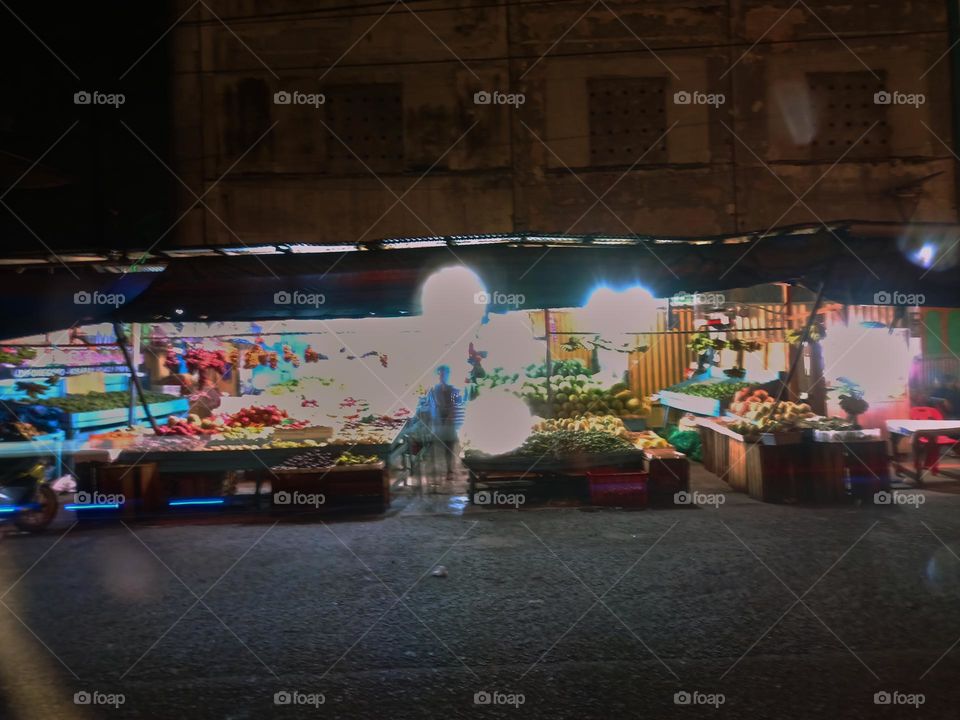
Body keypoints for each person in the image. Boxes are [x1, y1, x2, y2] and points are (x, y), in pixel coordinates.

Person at [426, 364, 461, 480]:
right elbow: (431, 405)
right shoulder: (434, 390)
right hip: (438, 421)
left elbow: (455, 405)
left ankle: (449, 471)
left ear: (448, 375)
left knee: (449, 446)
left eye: (444, 374)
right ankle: (435, 472)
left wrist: (450, 416)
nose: (442, 376)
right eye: (440, 374)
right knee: (436, 447)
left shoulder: (453, 390)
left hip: (449, 422)